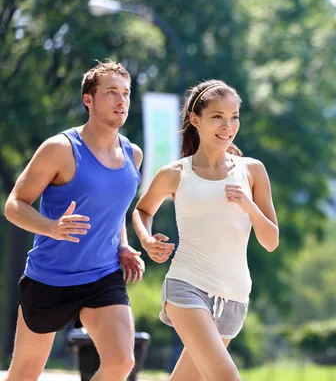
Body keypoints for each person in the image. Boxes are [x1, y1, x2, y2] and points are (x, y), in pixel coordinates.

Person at [3, 59, 145, 381]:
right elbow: (14, 205)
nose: (121, 101)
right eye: (111, 92)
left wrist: (122, 246)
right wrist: (52, 228)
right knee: (24, 373)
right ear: (89, 100)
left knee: (122, 361)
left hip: (102, 275)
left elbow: (114, 211)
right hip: (50, 277)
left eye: (126, 93)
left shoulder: (132, 154)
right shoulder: (60, 149)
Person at [132, 79, 279, 380]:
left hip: (235, 295)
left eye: (234, 117)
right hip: (187, 285)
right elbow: (142, 209)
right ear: (195, 119)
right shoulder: (175, 173)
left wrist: (249, 206)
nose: (228, 125)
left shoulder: (252, 170)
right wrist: (146, 240)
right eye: (217, 117)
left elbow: (271, 241)